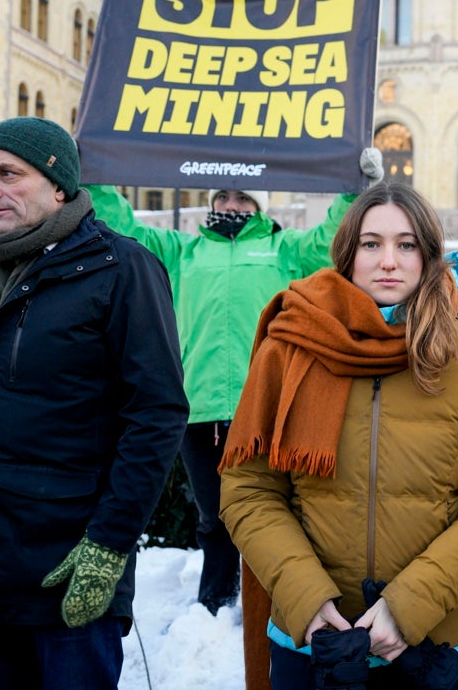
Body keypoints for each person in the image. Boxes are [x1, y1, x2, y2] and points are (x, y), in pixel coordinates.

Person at [218, 181, 458, 689]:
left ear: (428, 256)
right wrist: (308, 600)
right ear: (348, 254)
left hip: (433, 644)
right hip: (314, 639)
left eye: (406, 245)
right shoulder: (289, 347)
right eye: (372, 244)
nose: (389, 261)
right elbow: (249, 491)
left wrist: (408, 607)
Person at [0, 117, 189, 689]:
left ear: (58, 183)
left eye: (7, 174)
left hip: (66, 577)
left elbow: (156, 415)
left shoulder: (122, 269)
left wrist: (109, 545)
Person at [83, 147, 382, 614]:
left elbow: (333, 239)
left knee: (274, 514)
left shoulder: (283, 250)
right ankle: (216, 604)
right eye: (223, 197)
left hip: (266, 405)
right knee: (214, 515)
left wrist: (353, 187)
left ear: (258, 207)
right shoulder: (181, 252)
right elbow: (126, 230)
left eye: (242, 199)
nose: (231, 206)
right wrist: (97, 178)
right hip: (198, 407)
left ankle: (276, 603)